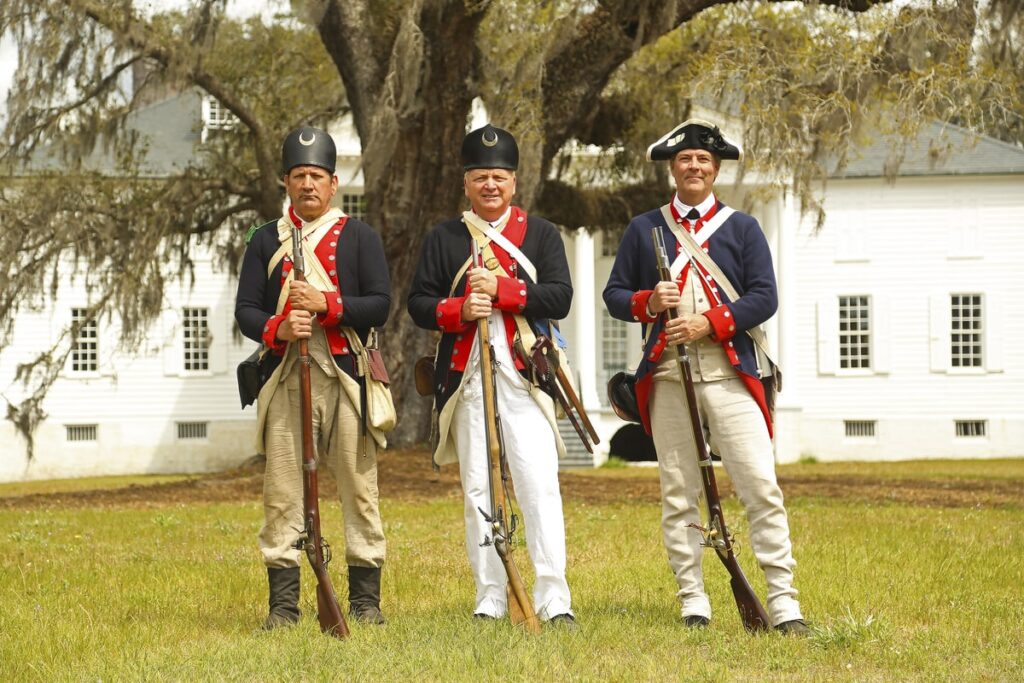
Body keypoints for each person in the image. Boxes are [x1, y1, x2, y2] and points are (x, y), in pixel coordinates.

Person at [603, 119, 808, 635]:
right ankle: (693, 600)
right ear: (673, 168)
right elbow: (614, 295)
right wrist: (649, 301)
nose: (694, 167)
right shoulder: (644, 228)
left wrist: (711, 322)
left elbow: (765, 297)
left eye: (703, 161)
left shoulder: (742, 228)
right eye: (685, 160)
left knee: (760, 486)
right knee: (679, 493)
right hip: (670, 377)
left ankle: (783, 605)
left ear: (715, 170)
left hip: (730, 372)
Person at [407, 124, 577, 628]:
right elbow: (419, 304)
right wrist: (460, 307)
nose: (490, 185)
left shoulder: (540, 234)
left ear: (514, 182)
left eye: (499, 176)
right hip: (466, 376)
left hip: (527, 375)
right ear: (466, 183)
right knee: (478, 488)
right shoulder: (444, 238)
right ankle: (491, 597)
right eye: (480, 177)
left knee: (538, 484)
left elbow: (560, 297)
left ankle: (553, 598)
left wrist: (505, 292)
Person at [235, 126, 391, 628]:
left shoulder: (360, 236)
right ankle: (283, 607)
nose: (308, 184)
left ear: (333, 182)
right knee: (282, 490)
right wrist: (277, 326)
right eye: (299, 175)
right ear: (286, 181)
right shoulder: (264, 239)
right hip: (285, 375)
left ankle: (366, 603)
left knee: (357, 486)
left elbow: (380, 306)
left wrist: (328, 305)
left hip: (347, 374)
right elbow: (246, 312)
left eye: (317, 176)